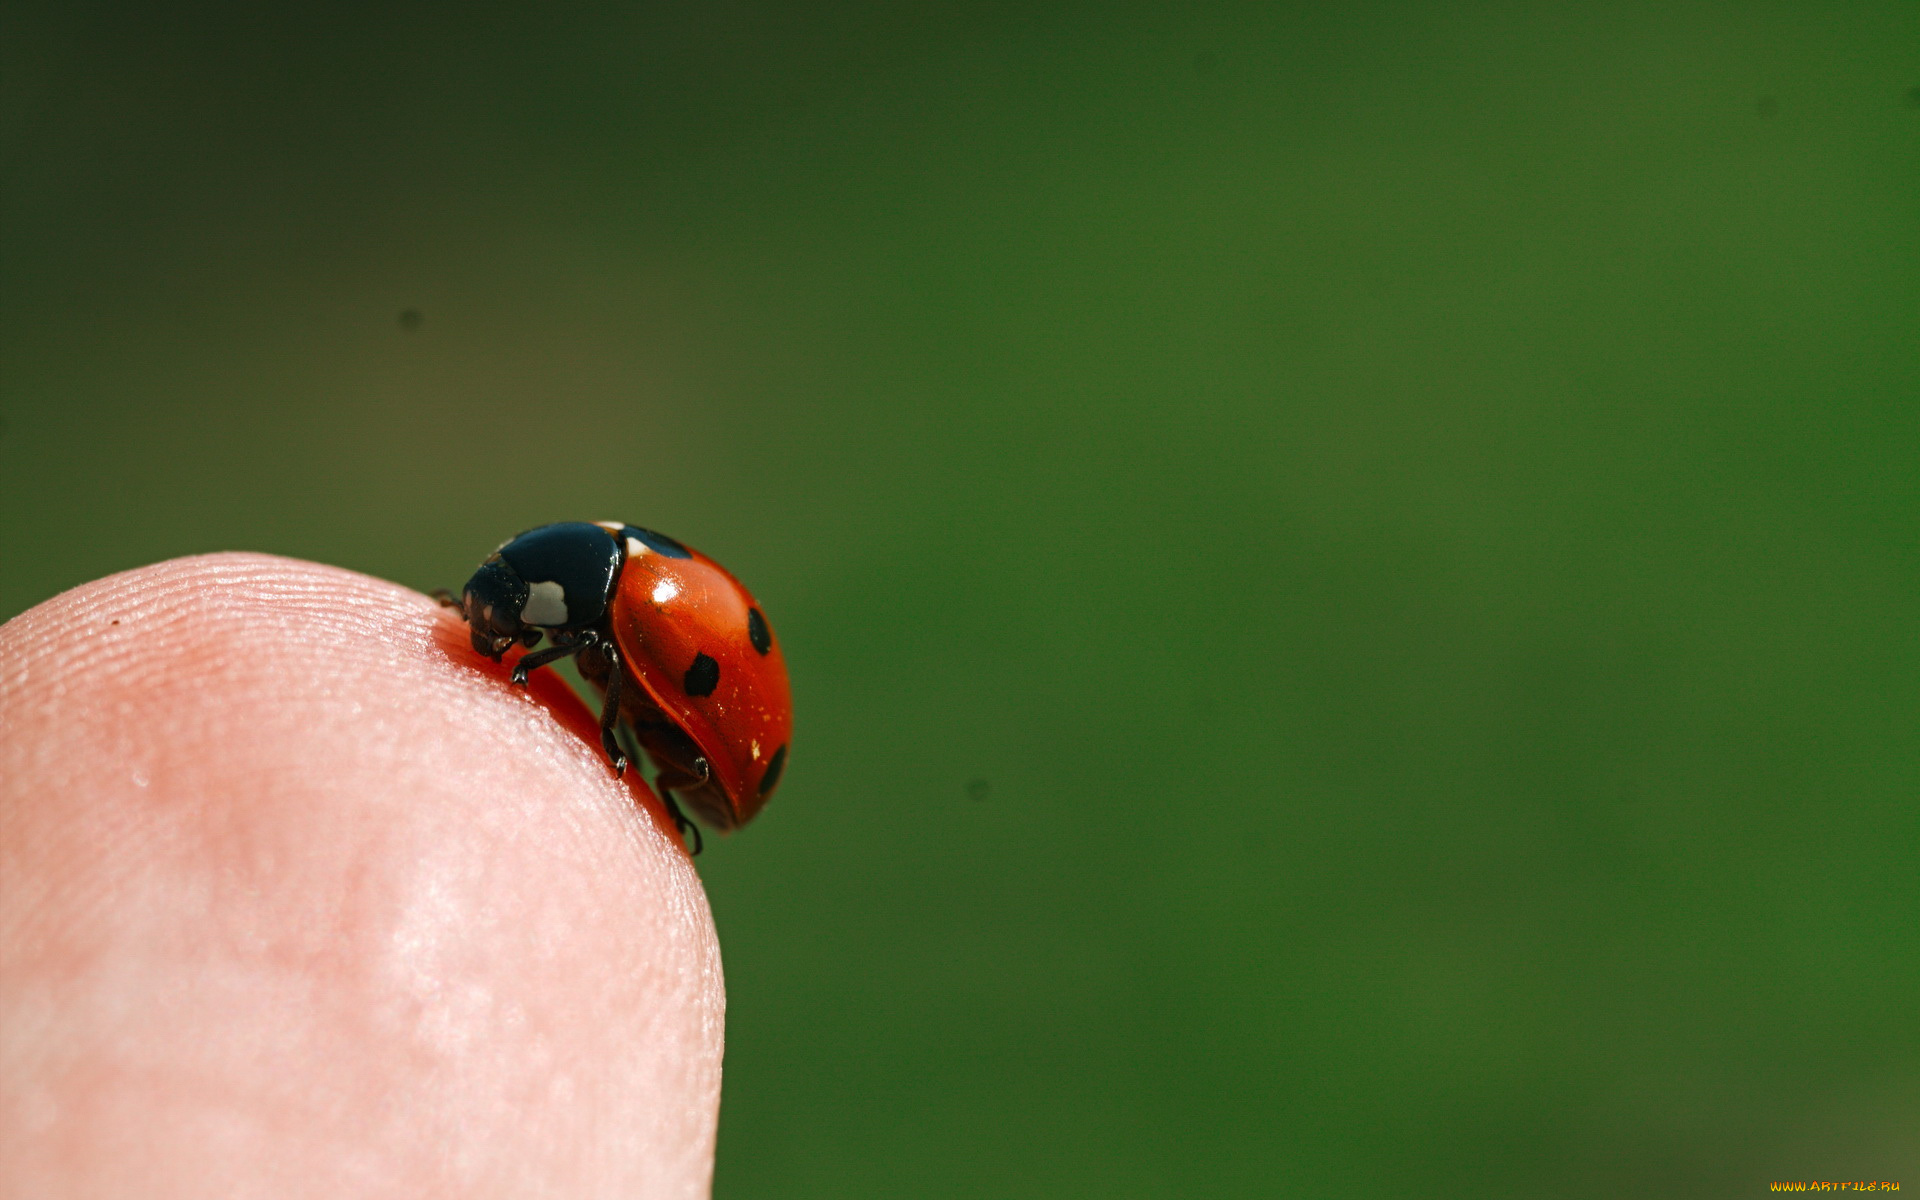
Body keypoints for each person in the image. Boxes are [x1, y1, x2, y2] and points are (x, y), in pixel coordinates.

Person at [0, 554, 724, 1197]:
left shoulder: (626, 602)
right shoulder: (594, 588)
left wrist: (598, 729)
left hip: (709, 749)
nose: (492, 631)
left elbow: (601, 655)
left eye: (507, 613)